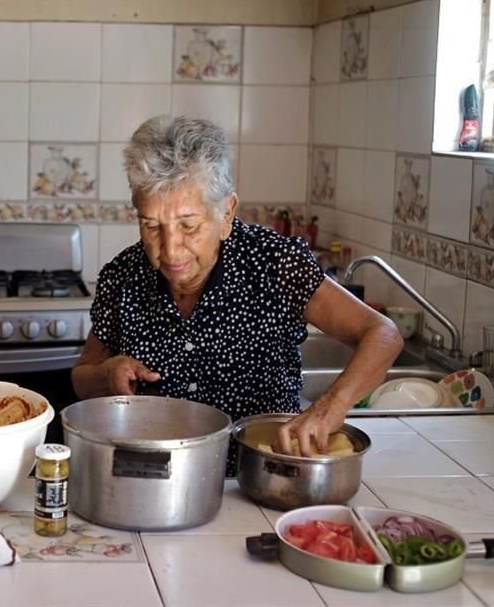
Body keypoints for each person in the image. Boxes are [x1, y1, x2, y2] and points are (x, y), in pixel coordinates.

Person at [71, 115, 402, 473]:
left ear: (226, 212)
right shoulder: (122, 276)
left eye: (188, 225)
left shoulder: (275, 262)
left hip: (264, 479)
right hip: (155, 483)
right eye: (151, 226)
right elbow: (82, 375)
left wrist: (329, 407)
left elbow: (383, 334)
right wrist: (107, 374)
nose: (169, 250)